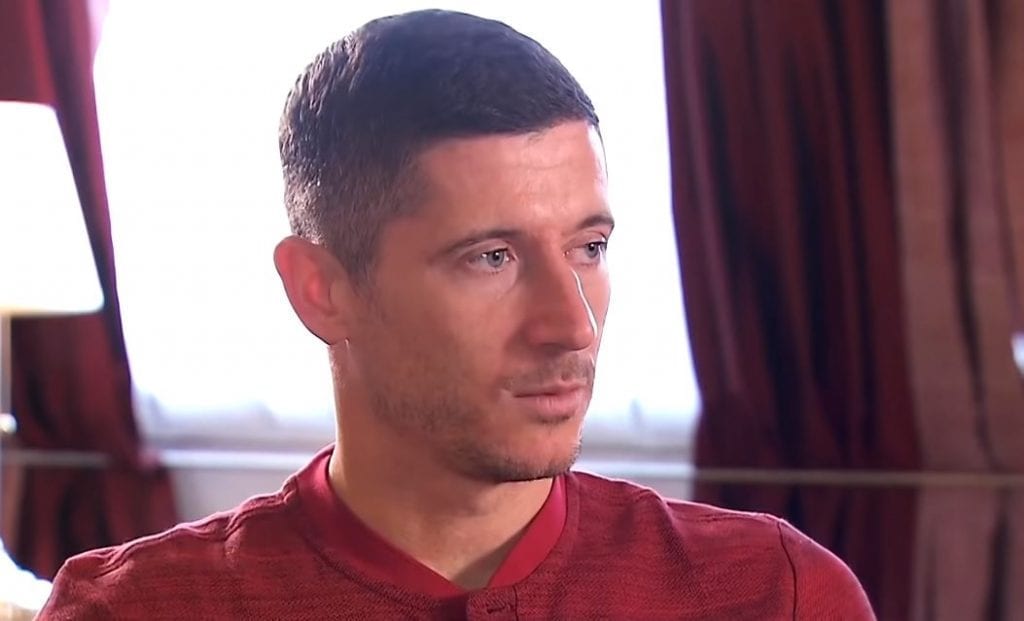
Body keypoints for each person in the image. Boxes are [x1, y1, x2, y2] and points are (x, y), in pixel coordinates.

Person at [38, 9, 874, 620]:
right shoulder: (140, 609)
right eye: (491, 257)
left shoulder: (774, 593)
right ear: (320, 288)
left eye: (589, 246)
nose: (572, 325)